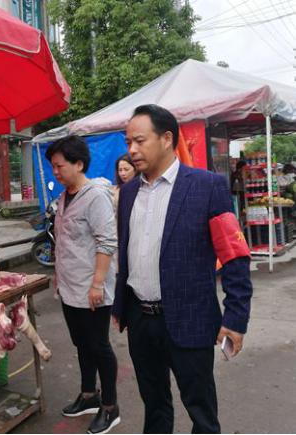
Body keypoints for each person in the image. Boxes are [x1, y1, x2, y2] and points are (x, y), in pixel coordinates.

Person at [112, 105, 253, 434]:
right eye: (128, 142)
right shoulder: (129, 192)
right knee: (154, 404)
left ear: (166, 139)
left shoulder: (207, 186)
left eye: (140, 140)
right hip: (141, 320)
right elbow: (127, 251)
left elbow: (234, 256)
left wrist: (235, 317)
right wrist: (120, 305)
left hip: (190, 318)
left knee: (201, 410)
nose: (132, 149)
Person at [47, 136, 120, 435]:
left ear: (79, 164)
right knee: (82, 344)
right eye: (53, 167)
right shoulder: (65, 197)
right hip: (69, 286)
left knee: (99, 346)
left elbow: (107, 242)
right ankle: (89, 395)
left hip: (92, 287)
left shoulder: (95, 196)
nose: (55, 172)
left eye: (60, 166)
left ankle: (110, 407)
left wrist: (98, 284)